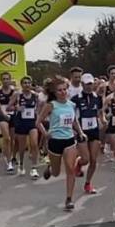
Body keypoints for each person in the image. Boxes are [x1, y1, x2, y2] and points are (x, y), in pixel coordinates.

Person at [38, 78, 83, 210]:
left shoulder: (71, 105)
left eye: (65, 89)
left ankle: (69, 199)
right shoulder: (51, 105)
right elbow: (38, 122)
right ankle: (50, 168)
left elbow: (74, 121)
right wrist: (45, 133)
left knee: (70, 169)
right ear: (54, 92)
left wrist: (80, 132)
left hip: (69, 140)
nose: (63, 92)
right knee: (56, 173)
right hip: (55, 141)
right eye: (60, 90)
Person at [72, 73, 103, 193]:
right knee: (86, 159)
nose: (89, 87)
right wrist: (76, 130)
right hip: (82, 131)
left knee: (94, 160)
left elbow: (100, 112)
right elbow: (73, 116)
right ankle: (79, 163)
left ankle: (88, 183)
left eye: (91, 84)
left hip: (94, 130)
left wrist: (102, 119)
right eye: (87, 84)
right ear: (82, 84)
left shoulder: (97, 97)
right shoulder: (76, 99)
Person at [9, 75, 41, 179]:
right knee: (22, 147)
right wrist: (16, 108)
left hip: (32, 123)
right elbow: (9, 107)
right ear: (22, 84)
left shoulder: (35, 95)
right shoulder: (17, 95)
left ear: (31, 84)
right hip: (21, 123)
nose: (27, 85)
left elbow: (40, 108)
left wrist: (38, 114)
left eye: (29, 83)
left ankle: (34, 168)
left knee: (34, 144)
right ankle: (21, 164)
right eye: (25, 83)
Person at [0, 71, 17, 173]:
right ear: (1, 80)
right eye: (3, 79)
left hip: (13, 115)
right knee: (7, 138)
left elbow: (18, 104)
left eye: (7, 79)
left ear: (10, 80)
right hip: (2, 116)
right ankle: (9, 162)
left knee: (13, 139)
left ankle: (11, 156)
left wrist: (14, 107)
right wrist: (3, 113)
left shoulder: (14, 91)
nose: (5, 81)